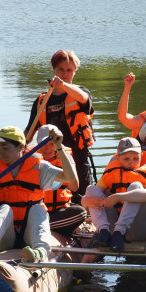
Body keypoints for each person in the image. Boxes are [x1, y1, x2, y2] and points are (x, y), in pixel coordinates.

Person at [0, 126, 79, 263]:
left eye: (5, 148)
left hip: (30, 234)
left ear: (21, 147)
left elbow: (71, 180)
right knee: (4, 208)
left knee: (37, 208)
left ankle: (40, 251)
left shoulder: (40, 168)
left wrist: (59, 146)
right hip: (6, 237)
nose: (1, 152)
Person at [23, 50, 95, 200]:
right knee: (52, 197)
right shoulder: (42, 100)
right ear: (54, 70)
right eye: (60, 69)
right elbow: (28, 133)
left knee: (81, 195)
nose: (65, 73)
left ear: (75, 71)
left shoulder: (80, 92)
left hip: (77, 155)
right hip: (51, 158)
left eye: (69, 70)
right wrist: (16, 149)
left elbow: (83, 98)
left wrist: (63, 86)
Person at [81, 137, 146, 252]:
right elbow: (89, 196)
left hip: (140, 229)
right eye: (126, 159)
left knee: (135, 186)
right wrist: (85, 201)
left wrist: (119, 197)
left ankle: (119, 232)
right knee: (91, 189)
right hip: (113, 227)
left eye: (136, 158)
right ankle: (103, 231)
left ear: (141, 155)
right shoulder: (111, 173)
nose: (132, 162)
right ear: (118, 158)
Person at [32, 125, 87, 237]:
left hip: (58, 211)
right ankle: (38, 227)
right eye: (43, 145)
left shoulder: (66, 157)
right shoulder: (30, 157)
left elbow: (74, 187)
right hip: (37, 211)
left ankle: (42, 227)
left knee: (80, 212)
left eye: (51, 144)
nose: (47, 149)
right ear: (38, 144)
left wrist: (59, 149)